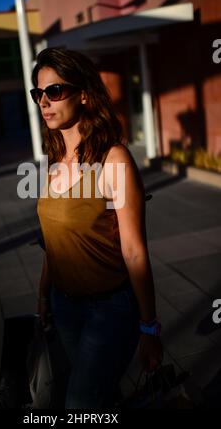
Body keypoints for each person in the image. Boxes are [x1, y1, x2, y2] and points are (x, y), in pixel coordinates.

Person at [30, 47, 163, 409]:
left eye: (54, 91)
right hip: (64, 306)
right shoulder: (53, 159)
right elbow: (53, 240)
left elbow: (135, 251)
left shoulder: (113, 159)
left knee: (79, 404)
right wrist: (45, 294)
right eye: (38, 93)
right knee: (100, 396)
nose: (44, 101)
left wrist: (149, 327)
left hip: (109, 310)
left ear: (84, 93)